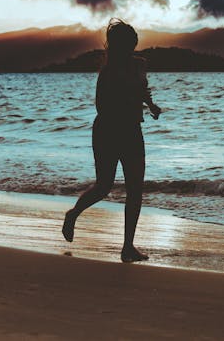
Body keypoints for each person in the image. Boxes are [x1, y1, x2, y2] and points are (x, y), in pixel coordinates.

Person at [62, 19, 162, 263]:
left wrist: (151, 105)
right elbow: (101, 106)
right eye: (127, 42)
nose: (132, 46)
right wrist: (126, 105)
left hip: (132, 131)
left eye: (134, 41)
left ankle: (128, 247)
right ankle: (73, 214)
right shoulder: (108, 72)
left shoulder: (140, 65)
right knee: (104, 186)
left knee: (135, 189)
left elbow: (143, 90)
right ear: (117, 45)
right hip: (108, 130)